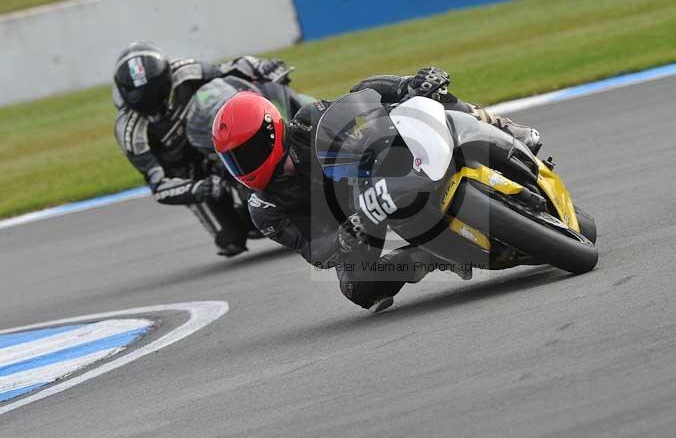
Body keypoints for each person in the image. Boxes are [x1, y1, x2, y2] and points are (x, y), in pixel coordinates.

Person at [212, 66, 542, 310]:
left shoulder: (309, 120)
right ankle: (433, 256)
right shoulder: (264, 209)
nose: (242, 166)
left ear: (270, 132)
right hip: (352, 222)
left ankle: (503, 130)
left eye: (246, 153)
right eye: (233, 160)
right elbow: (312, 250)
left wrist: (408, 86)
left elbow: (360, 99)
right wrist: (341, 238)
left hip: (373, 172)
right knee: (359, 288)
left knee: (425, 98)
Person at [112, 41, 305, 256]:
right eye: (139, 98)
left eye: (155, 92)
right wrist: (198, 188)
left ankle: (304, 131)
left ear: (165, 78)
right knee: (230, 239)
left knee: (265, 92)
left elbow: (232, 68)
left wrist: (263, 67)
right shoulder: (129, 131)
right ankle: (240, 210)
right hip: (188, 170)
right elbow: (159, 186)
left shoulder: (186, 71)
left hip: (210, 131)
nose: (151, 105)